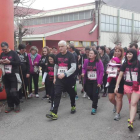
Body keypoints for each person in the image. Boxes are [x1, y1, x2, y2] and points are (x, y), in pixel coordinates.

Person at [46, 40, 76, 120]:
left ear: (66, 47)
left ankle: (73, 105)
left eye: (62, 46)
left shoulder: (71, 55)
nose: (60, 48)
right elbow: (56, 67)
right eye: (59, 46)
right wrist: (55, 77)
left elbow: (74, 67)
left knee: (72, 94)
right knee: (57, 94)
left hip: (69, 78)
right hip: (59, 78)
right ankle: (54, 113)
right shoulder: (57, 56)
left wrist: (65, 74)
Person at [115, 49, 140, 131]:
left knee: (133, 103)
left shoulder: (138, 64)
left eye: (130, 54)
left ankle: (131, 122)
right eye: (127, 54)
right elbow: (120, 75)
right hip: (127, 86)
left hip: (137, 86)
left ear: (134, 55)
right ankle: (132, 115)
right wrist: (116, 86)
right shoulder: (125, 64)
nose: (128, 55)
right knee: (130, 102)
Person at [0, 42, 21, 113]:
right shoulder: (2, 54)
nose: (4, 51)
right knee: (8, 92)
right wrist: (1, 61)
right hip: (5, 75)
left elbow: (18, 63)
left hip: (13, 75)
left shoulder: (13, 53)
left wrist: (10, 62)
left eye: (5, 49)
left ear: (8, 47)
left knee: (13, 91)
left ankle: (17, 104)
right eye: (3, 50)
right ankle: (10, 105)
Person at [82, 49, 104, 115]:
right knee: (89, 93)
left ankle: (94, 107)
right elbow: (83, 68)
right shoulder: (86, 61)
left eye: (91, 53)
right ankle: (95, 100)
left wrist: (99, 82)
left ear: (95, 55)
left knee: (94, 94)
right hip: (88, 80)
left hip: (95, 81)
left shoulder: (99, 62)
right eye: (89, 53)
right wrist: (83, 73)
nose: (90, 54)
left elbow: (101, 71)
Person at [108, 46, 124, 121]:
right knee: (111, 98)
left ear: (121, 52)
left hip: (121, 80)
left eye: (119, 51)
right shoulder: (112, 59)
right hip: (112, 79)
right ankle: (115, 104)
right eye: (116, 51)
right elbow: (108, 67)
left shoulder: (124, 60)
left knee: (119, 97)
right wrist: (108, 71)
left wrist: (119, 71)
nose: (117, 52)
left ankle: (118, 113)